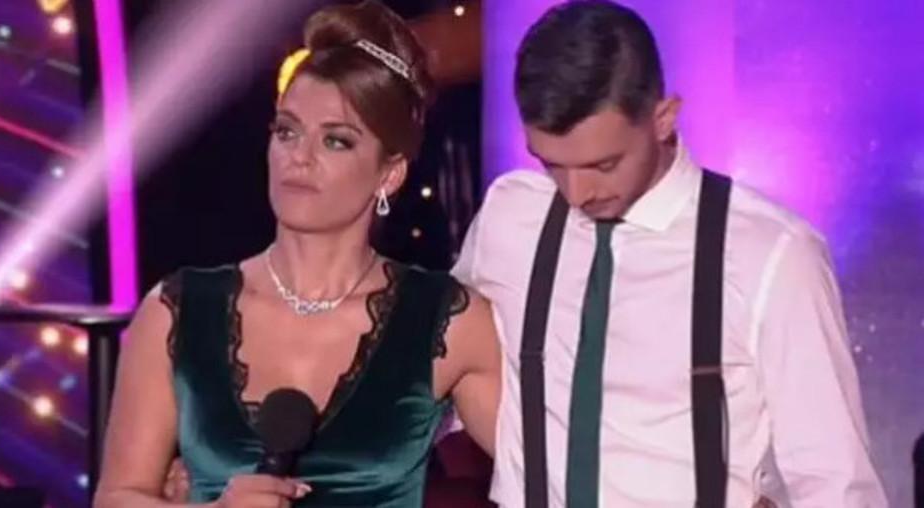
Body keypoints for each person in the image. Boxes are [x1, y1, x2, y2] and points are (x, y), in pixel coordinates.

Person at [451, 1, 887, 507]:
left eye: (603, 164)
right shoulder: (511, 216)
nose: (577, 193)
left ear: (663, 118)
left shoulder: (771, 252)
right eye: (552, 165)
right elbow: (434, 366)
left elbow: (834, 483)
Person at [93, 2, 500, 506]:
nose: (299, 157)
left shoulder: (448, 319)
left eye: (336, 141)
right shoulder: (178, 310)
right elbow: (118, 496)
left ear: (389, 173)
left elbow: (550, 475)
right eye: (287, 131)